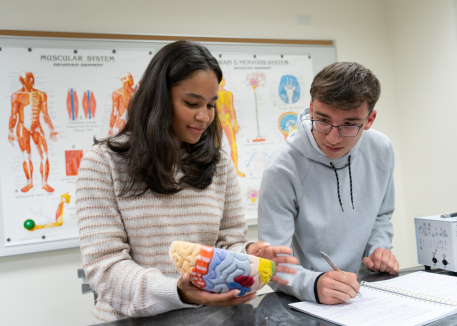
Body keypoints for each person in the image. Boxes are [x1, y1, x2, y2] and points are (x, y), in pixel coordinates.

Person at [76, 40, 297, 324]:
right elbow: (104, 269)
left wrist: (248, 255)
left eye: (210, 104)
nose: (204, 116)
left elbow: (227, 244)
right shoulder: (103, 162)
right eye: (191, 103)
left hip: (215, 317)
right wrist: (177, 292)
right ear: (158, 98)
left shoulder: (219, 164)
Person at [258, 62, 399, 305]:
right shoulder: (282, 168)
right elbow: (271, 264)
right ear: (311, 109)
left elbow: (381, 215)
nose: (333, 138)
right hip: (308, 301)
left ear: (370, 119)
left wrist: (379, 249)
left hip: (362, 294)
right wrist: (313, 284)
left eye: (348, 124)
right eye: (322, 120)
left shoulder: (381, 150)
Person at [8, 71, 57, 193]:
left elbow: (45, 114)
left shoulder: (41, 95)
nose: (31, 81)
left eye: (32, 78)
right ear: (22, 80)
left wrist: (51, 129)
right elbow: (13, 115)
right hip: (22, 128)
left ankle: (45, 183)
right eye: (28, 79)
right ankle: (29, 182)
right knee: (26, 156)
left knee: (44, 155)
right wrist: (10, 131)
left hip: (36, 127)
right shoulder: (16, 95)